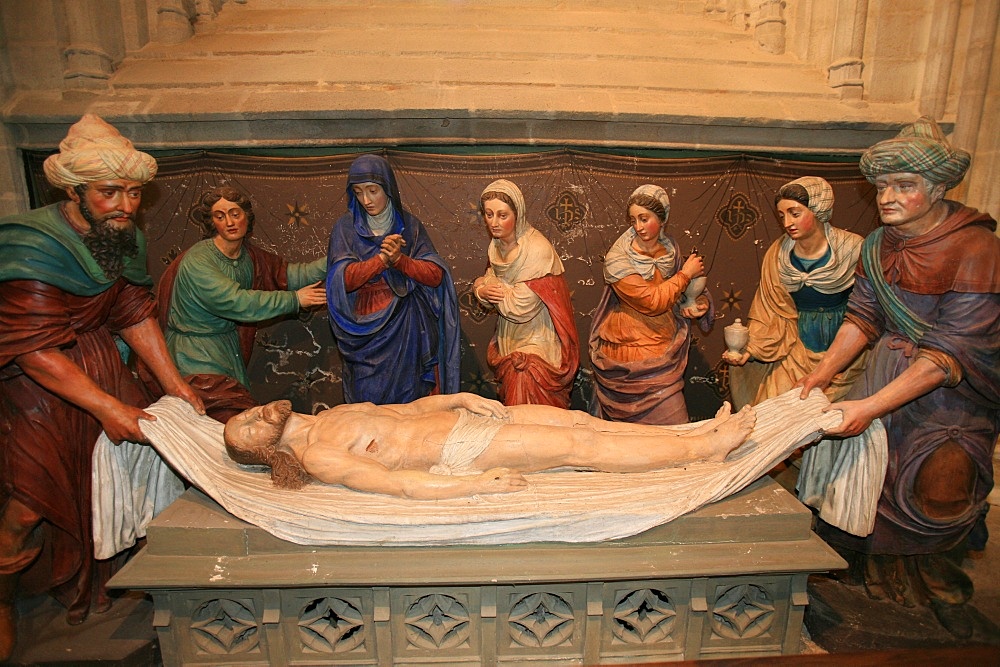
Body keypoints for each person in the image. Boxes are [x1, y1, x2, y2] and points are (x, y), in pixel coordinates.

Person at [0, 115, 205, 658]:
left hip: (103, 365)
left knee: (126, 472)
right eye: (109, 192)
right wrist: (109, 407)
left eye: (134, 193)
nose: (125, 206)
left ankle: (115, 572)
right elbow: (35, 349)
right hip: (43, 382)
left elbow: (134, 311)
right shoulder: (34, 244)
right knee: (30, 495)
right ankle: (1, 593)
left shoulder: (123, 236)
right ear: (74, 190)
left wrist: (174, 383)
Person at [798, 117, 1000, 637]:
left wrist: (867, 408)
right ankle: (872, 585)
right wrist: (823, 372)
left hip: (949, 398)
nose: (887, 197)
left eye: (904, 185)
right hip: (887, 373)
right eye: (882, 186)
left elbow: (948, 351)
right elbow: (863, 317)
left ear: (936, 189)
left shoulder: (976, 249)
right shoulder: (876, 245)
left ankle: (941, 597)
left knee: (934, 489)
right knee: (870, 483)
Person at [223, 392, 757, 500]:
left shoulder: (331, 415)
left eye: (242, 414)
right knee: (579, 448)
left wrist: (460, 396)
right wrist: (476, 483)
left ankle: (686, 433)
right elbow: (396, 484)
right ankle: (703, 451)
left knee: (578, 419)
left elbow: (408, 412)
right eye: (246, 428)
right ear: (264, 453)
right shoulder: (315, 455)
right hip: (462, 449)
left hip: (461, 418)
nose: (251, 414)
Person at [153, 186, 326, 423]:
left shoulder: (248, 257)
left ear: (247, 216)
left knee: (236, 420)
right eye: (220, 216)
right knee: (220, 419)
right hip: (194, 356)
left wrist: (336, 258)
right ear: (212, 222)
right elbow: (236, 301)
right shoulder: (199, 261)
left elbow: (291, 275)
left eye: (235, 214)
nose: (229, 222)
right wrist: (295, 300)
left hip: (226, 353)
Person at [326, 154, 460, 404]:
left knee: (408, 406)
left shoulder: (409, 226)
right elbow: (340, 280)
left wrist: (401, 260)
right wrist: (381, 261)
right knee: (368, 402)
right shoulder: (345, 229)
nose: (366, 200)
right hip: (365, 330)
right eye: (358, 192)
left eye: (373, 190)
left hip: (407, 328)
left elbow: (435, 275)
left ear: (387, 188)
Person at [723, 176, 866, 404]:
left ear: (817, 209)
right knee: (775, 407)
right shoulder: (778, 254)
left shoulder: (853, 249)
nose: (787, 222)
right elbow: (769, 311)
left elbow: (871, 308)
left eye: (795, 213)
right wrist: (752, 349)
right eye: (782, 216)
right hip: (793, 346)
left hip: (845, 350)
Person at [589, 184, 711, 424]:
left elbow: (679, 291)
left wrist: (697, 301)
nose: (638, 227)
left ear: (662, 218)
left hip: (664, 344)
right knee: (635, 432)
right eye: (634, 220)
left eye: (644, 219)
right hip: (631, 346)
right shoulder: (618, 259)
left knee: (674, 429)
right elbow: (651, 302)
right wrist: (685, 274)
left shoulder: (670, 250)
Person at [473, 179, 579, 408]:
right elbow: (489, 285)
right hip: (510, 336)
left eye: (502, 215)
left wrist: (485, 286)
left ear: (517, 214)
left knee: (526, 389)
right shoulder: (497, 246)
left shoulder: (537, 250)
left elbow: (520, 307)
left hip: (537, 340)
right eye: (489, 214)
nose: (494, 222)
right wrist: (482, 287)